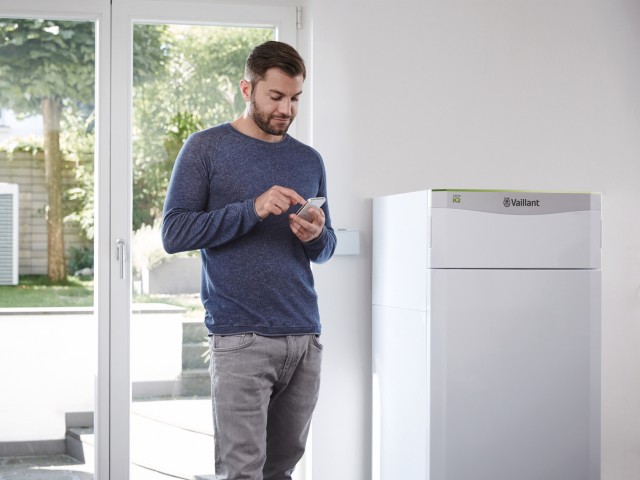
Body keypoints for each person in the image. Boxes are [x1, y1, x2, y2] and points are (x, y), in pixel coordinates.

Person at [161, 40, 336, 480]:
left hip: (304, 336)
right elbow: (174, 232)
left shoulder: (308, 159)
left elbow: (327, 246)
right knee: (242, 472)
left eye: (295, 98)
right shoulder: (205, 149)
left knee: (282, 470)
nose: (287, 109)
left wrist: (316, 236)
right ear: (247, 88)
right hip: (241, 337)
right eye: (275, 96)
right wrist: (251, 209)